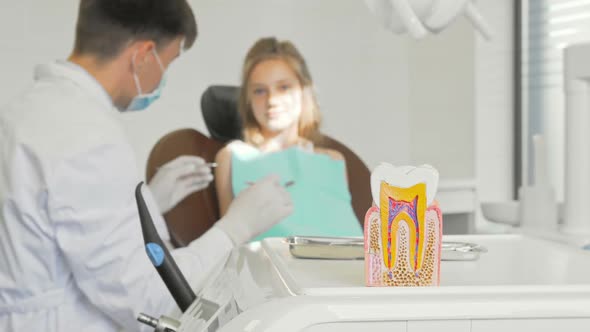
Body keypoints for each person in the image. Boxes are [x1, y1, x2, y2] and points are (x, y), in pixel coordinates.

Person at [0, 1, 293, 332]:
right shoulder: (86, 135)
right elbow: (149, 298)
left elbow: (63, 224)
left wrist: (147, 204)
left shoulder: (26, 111)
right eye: (168, 63)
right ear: (142, 56)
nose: (161, 80)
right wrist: (236, 227)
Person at [215, 37, 362, 240]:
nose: (271, 100)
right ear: (247, 100)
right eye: (259, 91)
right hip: (269, 268)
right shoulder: (233, 157)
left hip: (347, 267)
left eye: (283, 87)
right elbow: (228, 244)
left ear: (304, 90)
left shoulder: (333, 160)